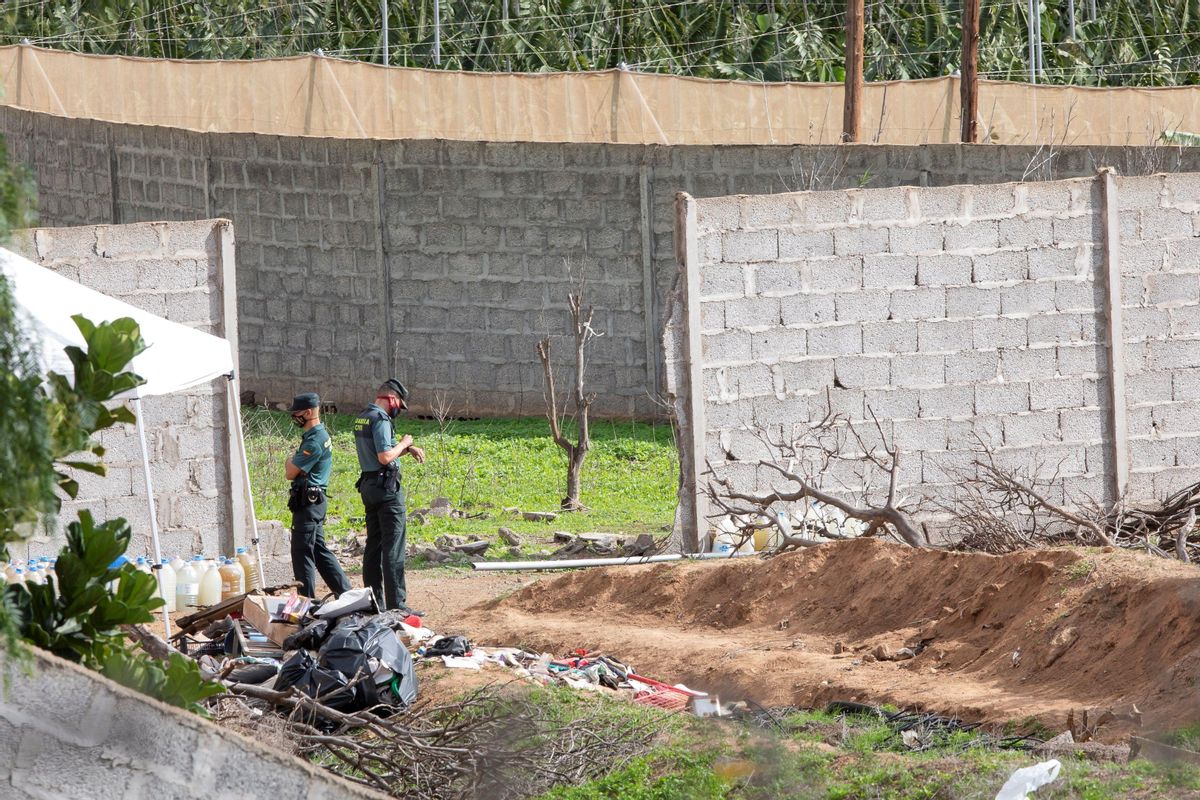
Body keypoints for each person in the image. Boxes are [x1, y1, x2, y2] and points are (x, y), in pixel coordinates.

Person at [354, 379, 425, 614]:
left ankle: (374, 605)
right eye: (399, 405)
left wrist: (405, 450)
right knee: (393, 547)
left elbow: (377, 454)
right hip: (386, 490)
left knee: (373, 546)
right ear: (392, 399)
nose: (398, 411)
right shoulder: (381, 419)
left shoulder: (363, 416)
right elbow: (385, 457)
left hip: (369, 486)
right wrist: (405, 442)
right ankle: (397, 606)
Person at [285, 392, 351, 599]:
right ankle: (347, 595)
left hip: (309, 503)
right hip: (311, 501)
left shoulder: (315, 440)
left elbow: (290, 472)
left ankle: (306, 603)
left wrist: (291, 462)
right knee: (319, 552)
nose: (294, 416)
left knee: (302, 552)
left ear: (309, 412)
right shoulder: (316, 437)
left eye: (297, 413)